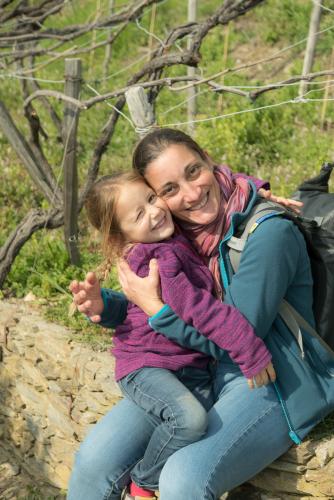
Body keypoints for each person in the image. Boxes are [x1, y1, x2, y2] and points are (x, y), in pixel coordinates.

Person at [68, 128, 334, 500]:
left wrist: (156, 310)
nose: (191, 194)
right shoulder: (178, 232)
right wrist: (110, 305)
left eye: (194, 171)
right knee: (94, 460)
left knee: (182, 477)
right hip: (195, 370)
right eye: (170, 189)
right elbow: (158, 300)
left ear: (209, 160)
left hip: (272, 374)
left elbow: (234, 337)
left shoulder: (268, 234)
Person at [82, 171, 276, 499]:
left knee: (190, 421)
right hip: (148, 366)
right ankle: (143, 483)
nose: (155, 211)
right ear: (122, 237)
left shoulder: (169, 234)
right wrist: (247, 346)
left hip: (187, 368)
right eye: (139, 214)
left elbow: (217, 179)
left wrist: (255, 190)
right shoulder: (160, 257)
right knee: (188, 420)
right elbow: (199, 309)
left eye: (152, 198)